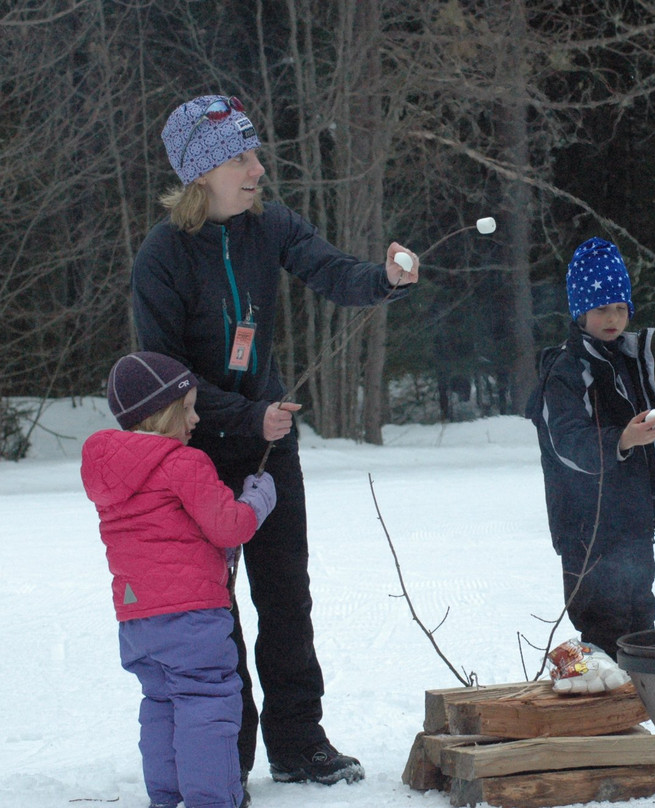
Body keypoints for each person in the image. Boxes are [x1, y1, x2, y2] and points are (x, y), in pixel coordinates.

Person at [130, 94, 420, 785]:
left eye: (255, 153)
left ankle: (297, 741)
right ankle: (223, 746)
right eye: (241, 157)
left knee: (285, 595)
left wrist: (384, 278)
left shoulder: (270, 224)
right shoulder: (161, 260)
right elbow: (167, 380)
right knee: (211, 605)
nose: (258, 168)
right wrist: (242, 415)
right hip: (196, 453)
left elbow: (332, 272)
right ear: (202, 172)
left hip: (269, 446)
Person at [81, 352, 278, 808]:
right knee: (207, 703)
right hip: (191, 617)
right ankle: (212, 800)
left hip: (136, 620)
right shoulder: (183, 464)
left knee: (161, 704)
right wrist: (258, 498)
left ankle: (165, 798)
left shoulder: (112, 475)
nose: (195, 417)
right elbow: (229, 525)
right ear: (161, 412)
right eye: (187, 407)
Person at [526, 237, 655, 657]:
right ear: (581, 311)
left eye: (620, 308)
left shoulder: (630, 358)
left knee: (641, 620)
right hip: (586, 525)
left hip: (634, 518)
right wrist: (622, 439)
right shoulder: (565, 369)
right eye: (602, 309)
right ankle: (601, 707)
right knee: (603, 623)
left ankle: (640, 703)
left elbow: (654, 417)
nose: (613, 318)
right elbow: (566, 443)